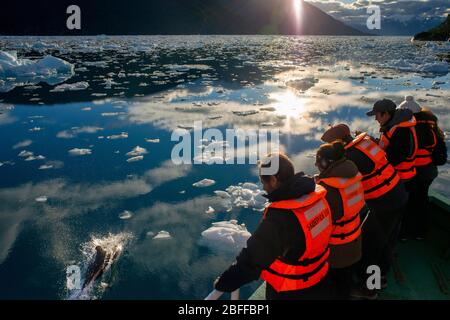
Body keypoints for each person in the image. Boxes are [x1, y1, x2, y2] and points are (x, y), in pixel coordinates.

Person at [214, 153, 333, 300]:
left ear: (274, 180)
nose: (263, 187)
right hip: (320, 276)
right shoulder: (315, 196)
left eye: (264, 182)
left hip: (292, 289)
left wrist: (224, 283)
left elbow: (252, 259)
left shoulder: (281, 217)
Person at [321, 123, 409, 299]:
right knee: (386, 240)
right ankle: (381, 277)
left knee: (370, 248)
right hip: (398, 194)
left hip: (385, 204)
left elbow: (342, 180)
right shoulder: (364, 143)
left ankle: (370, 289)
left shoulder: (351, 157)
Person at [314, 141, 364, 299]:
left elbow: (319, 221)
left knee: (335, 287)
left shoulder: (329, 190)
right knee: (345, 280)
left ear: (326, 163)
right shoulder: (352, 175)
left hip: (336, 250)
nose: (315, 164)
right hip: (354, 242)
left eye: (318, 160)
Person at [398, 96, 447, 240]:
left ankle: (405, 233)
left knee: (407, 202)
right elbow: (441, 158)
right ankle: (421, 232)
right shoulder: (432, 128)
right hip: (428, 173)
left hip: (409, 174)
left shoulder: (405, 129)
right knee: (421, 201)